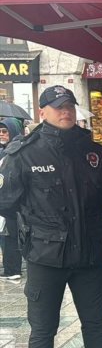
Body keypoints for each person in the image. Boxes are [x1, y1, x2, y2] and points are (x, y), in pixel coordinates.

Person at [0, 85, 102, 348]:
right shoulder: (24, 154)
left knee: (95, 323)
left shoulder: (92, 151)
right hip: (45, 257)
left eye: (69, 105)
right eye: (57, 107)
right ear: (43, 112)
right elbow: (5, 200)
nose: (65, 112)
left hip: (89, 255)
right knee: (43, 330)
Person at [0, 118, 24, 280]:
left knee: (9, 234)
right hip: (8, 200)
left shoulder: (16, 150)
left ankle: (12, 269)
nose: (1, 134)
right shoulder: (6, 150)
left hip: (11, 201)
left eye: (5, 131)